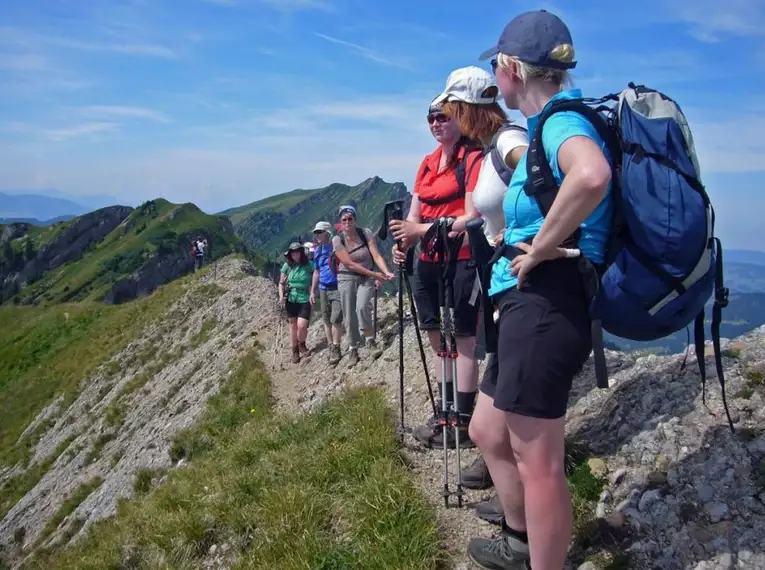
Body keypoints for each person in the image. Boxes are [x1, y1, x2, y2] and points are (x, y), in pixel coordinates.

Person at [465, 10, 614, 570]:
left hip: (548, 302)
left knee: (538, 459)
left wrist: (547, 244)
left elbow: (592, 175)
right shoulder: (545, 123)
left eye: (496, 67)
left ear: (510, 70)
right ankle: (521, 537)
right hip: (528, 301)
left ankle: (540, 561)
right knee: (487, 429)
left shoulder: (558, 124)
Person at [436, 65, 530, 490]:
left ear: (467, 108)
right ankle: (501, 474)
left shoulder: (509, 140)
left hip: (524, 283)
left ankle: (519, 500)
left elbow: (549, 179)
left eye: (452, 109)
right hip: (501, 280)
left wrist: (537, 241)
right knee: (499, 377)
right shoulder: (491, 145)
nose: (448, 118)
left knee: (508, 385)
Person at [389, 96, 485, 450]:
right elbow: (416, 212)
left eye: (443, 117)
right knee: (434, 333)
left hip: (461, 258)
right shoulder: (427, 164)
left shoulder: (472, 158)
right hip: (428, 260)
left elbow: (473, 218)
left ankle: (461, 419)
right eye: (430, 118)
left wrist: (419, 232)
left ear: (459, 119)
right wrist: (405, 241)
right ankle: (444, 412)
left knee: (463, 338)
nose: (435, 123)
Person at [332, 204, 394, 367]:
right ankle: (353, 348)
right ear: (340, 221)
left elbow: (376, 255)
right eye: (344, 219)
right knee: (349, 315)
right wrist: (375, 275)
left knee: (362, 307)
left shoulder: (365, 233)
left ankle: (369, 339)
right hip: (347, 277)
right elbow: (349, 264)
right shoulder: (337, 240)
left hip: (366, 276)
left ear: (355, 219)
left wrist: (386, 271)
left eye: (350, 218)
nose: (347, 222)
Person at [310, 221, 344, 365]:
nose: (317, 235)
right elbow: (316, 271)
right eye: (316, 233)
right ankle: (331, 346)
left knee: (336, 318)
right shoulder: (318, 251)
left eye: (319, 232)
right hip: (323, 288)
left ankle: (336, 347)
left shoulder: (336, 247)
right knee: (326, 319)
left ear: (327, 232)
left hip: (337, 286)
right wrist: (313, 291)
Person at [278, 242, 315, 364]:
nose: (295, 254)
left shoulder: (309, 265)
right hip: (291, 299)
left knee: (302, 325)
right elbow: (281, 283)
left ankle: (302, 344)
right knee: (293, 326)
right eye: (293, 252)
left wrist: (313, 292)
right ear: (290, 254)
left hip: (304, 298)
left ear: (301, 252)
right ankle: (295, 351)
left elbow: (316, 274)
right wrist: (281, 296)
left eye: (297, 252)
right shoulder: (287, 266)